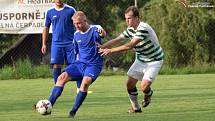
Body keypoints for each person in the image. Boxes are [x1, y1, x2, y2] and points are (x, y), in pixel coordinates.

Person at [99, 6, 164, 113]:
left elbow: (130, 45)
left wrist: (110, 51)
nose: (127, 21)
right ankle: (136, 108)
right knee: (129, 84)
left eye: (129, 18)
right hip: (141, 60)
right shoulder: (130, 30)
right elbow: (117, 40)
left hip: (154, 60)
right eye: (125, 18)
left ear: (136, 18)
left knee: (144, 86)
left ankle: (148, 94)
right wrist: (102, 47)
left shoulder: (143, 28)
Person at [41, 11, 104, 118]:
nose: (76, 26)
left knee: (85, 83)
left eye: (79, 23)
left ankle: (73, 111)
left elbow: (102, 33)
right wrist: (76, 66)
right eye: (74, 24)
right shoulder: (76, 35)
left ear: (85, 21)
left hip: (94, 64)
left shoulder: (94, 29)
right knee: (62, 77)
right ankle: (48, 104)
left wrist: (102, 33)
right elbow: (77, 52)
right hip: (80, 64)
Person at [41, 0, 105, 92]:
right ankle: (57, 87)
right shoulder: (50, 12)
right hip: (56, 43)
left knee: (76, 63)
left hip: (70, 42)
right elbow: (46, 27)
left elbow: (79, 22)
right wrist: (43, 43)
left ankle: (79, 88)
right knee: (56, 64)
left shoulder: (70, 10)